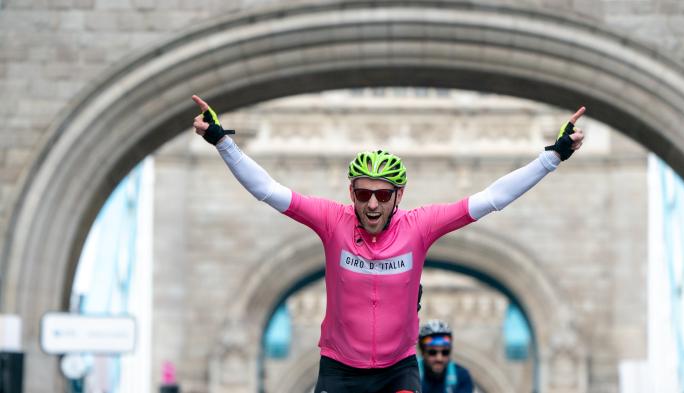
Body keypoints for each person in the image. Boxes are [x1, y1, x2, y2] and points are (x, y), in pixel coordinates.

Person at [191, 94, 585, 393]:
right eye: (363, 195)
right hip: (339, 368)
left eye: (383, 195)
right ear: (352, 193)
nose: (373, 204)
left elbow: (492, 198)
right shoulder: (331, 221)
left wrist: (553, 157)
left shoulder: (420, 226)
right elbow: (268, 191)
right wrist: (223, 142)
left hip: (397, 368)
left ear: (399, 196)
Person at [418, 320, 473, 393]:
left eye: (445, 352)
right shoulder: (410, 374)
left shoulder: (461, 375)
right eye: (432, 352)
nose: (439, 358)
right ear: (422, 352)